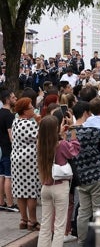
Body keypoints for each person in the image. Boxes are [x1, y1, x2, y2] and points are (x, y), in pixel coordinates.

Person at [72, 100, 100, 245]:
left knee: (84, 212)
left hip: (80, 177)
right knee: (99, 211)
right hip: (97, 175)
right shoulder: (91, 131)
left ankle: (82, 241)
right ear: (86, 113)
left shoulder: (70, 132)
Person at [36, 115, 80, 247]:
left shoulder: (39, 145)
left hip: (45, 186)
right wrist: (72, 132)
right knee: (59, 226)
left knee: (45, 224)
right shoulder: (61, 145)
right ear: (55, 129)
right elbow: (75, 151)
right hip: (60, 187)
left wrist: (61, 134)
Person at [11, 97, 41, 231]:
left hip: (16, 159)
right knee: (31, 192)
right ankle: (32, 221)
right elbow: (41, 136)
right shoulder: (29, 124)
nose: (33, 109)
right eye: (31, 108)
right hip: (29, 160)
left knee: (20, 191)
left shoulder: (16, 121)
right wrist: (38, 120)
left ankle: (23, 219)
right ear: (24, 111)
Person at [0, 89, 18, 212]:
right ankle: (10, 204)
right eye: (12, 97)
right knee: (8, 177)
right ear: (7, 100)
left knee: (1, 176)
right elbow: (11, 135)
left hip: (1, 148)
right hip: (7, 149)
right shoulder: (9, 116)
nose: (15, 99)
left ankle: (1, 202)